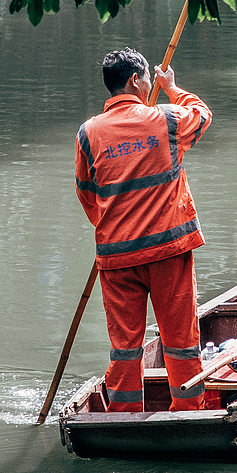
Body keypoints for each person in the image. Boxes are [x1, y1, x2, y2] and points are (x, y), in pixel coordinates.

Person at [75, 46, 212, 414]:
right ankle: (187, 413)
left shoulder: (88, 133)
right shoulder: (166, 120)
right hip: (168, 250)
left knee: (125, 347)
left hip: (116, 257)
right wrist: (172, 87)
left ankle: (122, 418)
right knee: (180, 341)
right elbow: (201, 115)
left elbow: (88, 195)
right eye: (148, 78)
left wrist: (118, 226)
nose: (150, 82)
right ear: (136, 80)